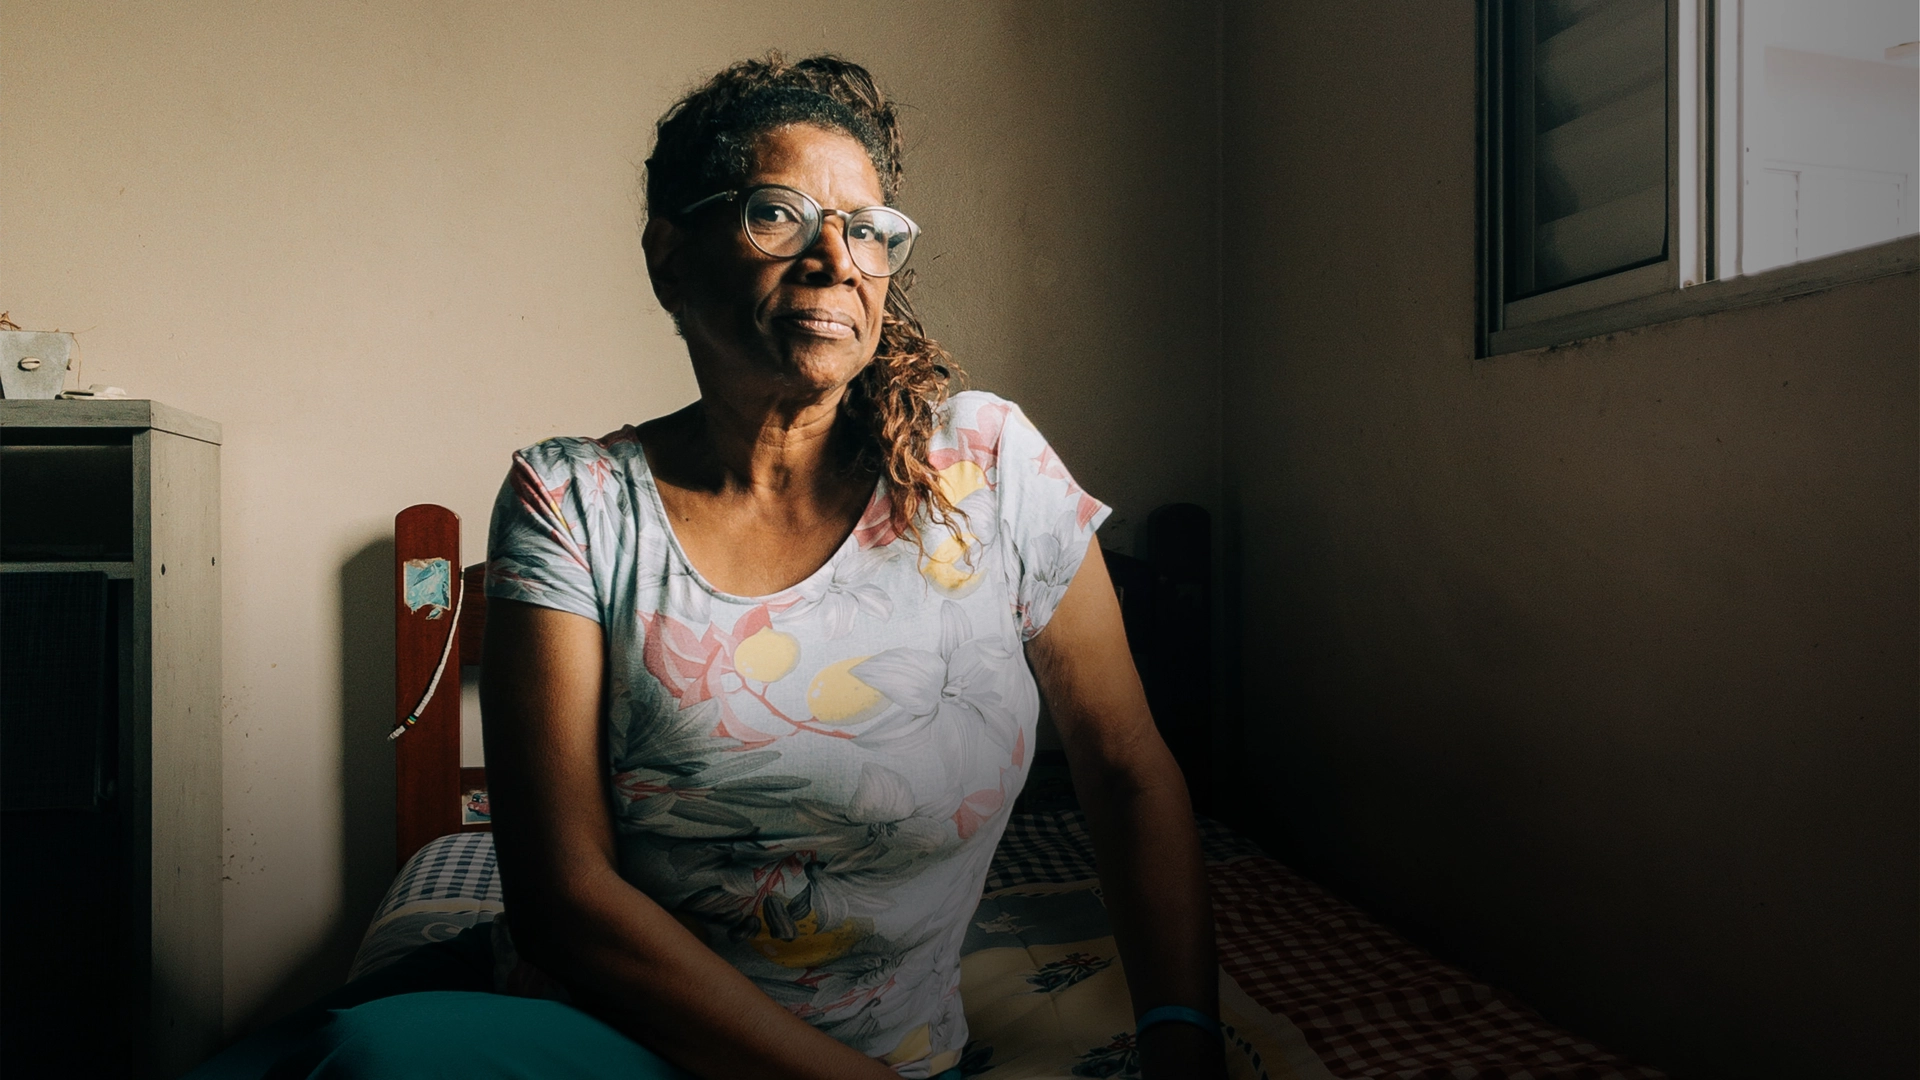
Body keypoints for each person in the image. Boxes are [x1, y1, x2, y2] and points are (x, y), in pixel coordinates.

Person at [192, 54, 1222, 1080]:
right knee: (366, 1060)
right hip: (601, 1037)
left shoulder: (986, 470)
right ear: (670, 257)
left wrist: (1182, 1033)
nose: (835, 259)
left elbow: (1127, 764)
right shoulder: (577, 502)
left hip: (891, 1055)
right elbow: (563, 898)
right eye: (778, 214)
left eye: (867, 230)